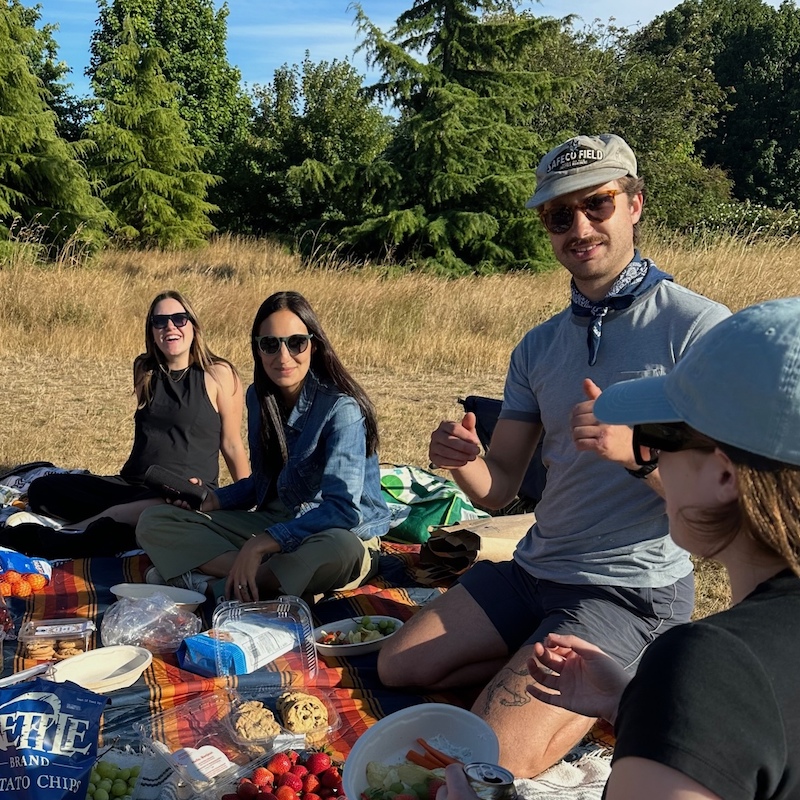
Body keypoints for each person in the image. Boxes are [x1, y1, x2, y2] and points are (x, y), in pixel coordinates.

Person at [377, 133, 731, 777]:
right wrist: (465, 459)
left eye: (596, 204)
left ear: (634, 205)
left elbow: (724, 500)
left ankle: (627, 666)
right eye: (558, 215)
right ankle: (536, 651)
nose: (579, 226)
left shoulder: (699, 330)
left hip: (627, 588)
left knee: (488, 753)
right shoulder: (539, 347)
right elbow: (499, 487)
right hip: (533, 567)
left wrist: (639, 456)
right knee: (396, 665)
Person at [509, 296, 800, 799]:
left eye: (664, 433)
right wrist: (637, 702)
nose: (650, 453)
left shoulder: (713, 664)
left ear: (724, 474)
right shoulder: (723, 678)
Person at [135, 290, 391, 603]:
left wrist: (262, 543)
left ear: (314, 345)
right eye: (270, 344)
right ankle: (261, 579)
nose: (283, 356)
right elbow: (263, 480)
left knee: (337, 549)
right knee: (155, 520)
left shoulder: (341, 409)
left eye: (295, 342)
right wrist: (213, 500)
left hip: (335, 531)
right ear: (258, 349)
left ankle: (209, 585)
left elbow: (342, 510)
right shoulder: (259, 398)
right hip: (275, 523)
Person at [5, 290, 249, 558]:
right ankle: (111, 527)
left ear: (193, 325)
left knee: (144, 512)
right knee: (44, 489)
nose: (170, 327)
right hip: (133, 484)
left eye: (179, 319)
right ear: (152, 330)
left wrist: (247, 502)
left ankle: (65, 535)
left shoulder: (218, 374)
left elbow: (232, 444)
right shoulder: (144, 369)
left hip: (185, 491)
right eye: (160, 321)